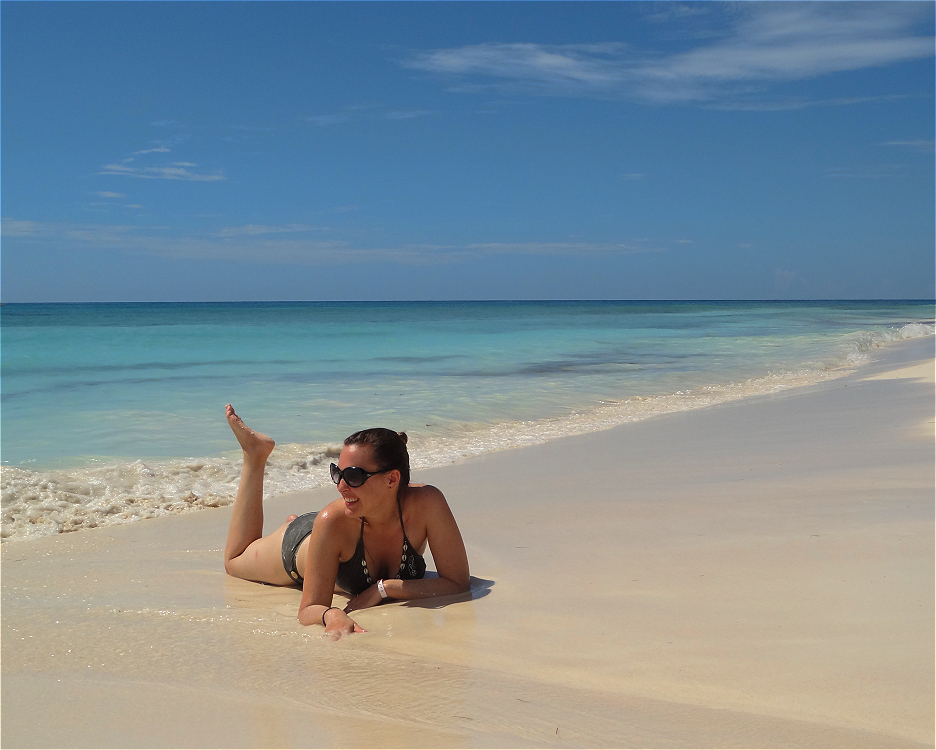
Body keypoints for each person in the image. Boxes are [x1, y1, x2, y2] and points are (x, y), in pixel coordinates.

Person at [222, 404, 470, 638]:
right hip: (302, 545)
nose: (340, 486)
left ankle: (293, 519)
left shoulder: (427, 504)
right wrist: (331, 614)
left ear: (392, 480)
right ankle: (254, 456)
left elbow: (457, 582)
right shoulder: (332, 521)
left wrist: (385, 588)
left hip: (332, 535)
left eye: (353, 476)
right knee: (234, 561)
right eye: (337, 473)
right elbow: (309, 609)